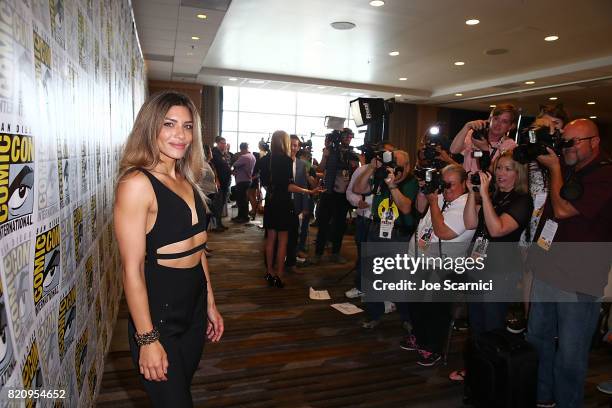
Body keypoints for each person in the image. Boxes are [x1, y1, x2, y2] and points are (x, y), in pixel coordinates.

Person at [113, 91, 224, 407]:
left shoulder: (187, 178)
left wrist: (210, 304)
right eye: (170, 124)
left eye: (188, 127)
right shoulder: (136, 183)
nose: (181, 135)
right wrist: (147, 339)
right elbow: (131, 269)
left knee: (181, 392)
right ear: (151, 127)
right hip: (158, 316)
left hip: (194, 306)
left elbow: (199, 249)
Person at [526, 119, 612, 408]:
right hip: (548, 271)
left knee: (570, 355)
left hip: (579, 280)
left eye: (575, 141)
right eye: (566, 142)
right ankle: (542, 398)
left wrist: (554, 169)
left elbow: (562, 211)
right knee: (538, 341)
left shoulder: (605, 175)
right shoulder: (568, 171)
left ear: (595, 142)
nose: (568, 148)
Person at [448, 150, 532, 382]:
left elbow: (497, 230)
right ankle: (477, 371)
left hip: (500, 272)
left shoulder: (522, 200)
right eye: (499, 168)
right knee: (476, 324)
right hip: (478, 266)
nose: (501, 173)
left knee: (492, 327)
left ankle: (493, 378)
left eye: (508, 169)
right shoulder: (492, 195)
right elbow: (470, 222)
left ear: (519, 174)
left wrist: (484, 196)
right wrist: (473, 194)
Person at [402, 164, 475, 366]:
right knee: (415, 303)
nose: (446, 188)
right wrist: (425, 191)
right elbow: (418, 209)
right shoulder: (441, 195)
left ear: (463, 184)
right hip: (421, 260)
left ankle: (433, 348)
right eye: (443, 183)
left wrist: (434, 202)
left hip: (444, 267)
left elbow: (443, 232)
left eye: (450, 184)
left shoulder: (466, 204)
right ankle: (419, 337)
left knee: (434, 309)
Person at [514, 103, 569, 332]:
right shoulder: (529, 155)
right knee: (529, 274)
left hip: (558, 226)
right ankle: (531, 323)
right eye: (544, 126)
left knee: (553, 279)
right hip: (531, 225)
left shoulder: (567, 155)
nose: (551, 131)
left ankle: (554, 328)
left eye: (555, 125)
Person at [353, 150, 418, 329]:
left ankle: (406, 318)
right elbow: (357, 189)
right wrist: (371, 168)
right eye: (393, 163)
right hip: (377, 230)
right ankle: (374, 314)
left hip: (399, 234)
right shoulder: (381, 176)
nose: (395, 169)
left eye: (399, 165)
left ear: (408, 166)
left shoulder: (411, 181)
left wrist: (392, 185)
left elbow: (405, 208)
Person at [263, 130, 322, 288]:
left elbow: (264, 183)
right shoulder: (286, 160)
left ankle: (269, 271)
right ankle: (279, 275)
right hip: (283, 203)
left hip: (270, 203)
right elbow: (288, 186)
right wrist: (308, 191)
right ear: (284, 142)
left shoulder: (265, 159)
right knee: (283, 241)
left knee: (270, 239)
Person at [312, 129, 360, 264]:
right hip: (328, 193)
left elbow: (356, 174)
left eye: (351, 136)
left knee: (340, 225)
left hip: (343, 195)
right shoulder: (330, 152)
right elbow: (320, 169)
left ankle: (335, 252)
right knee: (323, 224)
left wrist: (355, 165)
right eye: (346, 136)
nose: (349, 139)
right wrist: (325, 156)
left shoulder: (352, 154)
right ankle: (318, 253)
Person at [449, 103, 518, 173]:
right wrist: (467, 126)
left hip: (489, 183)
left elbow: (497, 173)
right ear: (490, 119)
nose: (498, 124)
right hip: (467, 181)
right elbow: (453, 150)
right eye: (496, 118)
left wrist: (484, 149)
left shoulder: (510, 145)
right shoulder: (475, 135)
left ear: (511, 126)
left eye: (504, 121)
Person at [231, 142, 256, 223]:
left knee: (241, 200)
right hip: (248, 180)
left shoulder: (244, 157)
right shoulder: (252, 156)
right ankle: (242, 216)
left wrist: (238, 158)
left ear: (241, 149)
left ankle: (242, 217)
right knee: (244, 199)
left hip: (242, 180)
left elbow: (234, 164)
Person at [211, 137, 232, 232]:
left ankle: (219, 224)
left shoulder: (222, 154)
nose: (224, 145)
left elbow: (227, 165)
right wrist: (216, 180)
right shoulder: (214, 154)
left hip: (225, 183)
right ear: (217, 143)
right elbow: (213, 168)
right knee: (218, 205)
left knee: (221, 204)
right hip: (219, 184)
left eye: (225, 143)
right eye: (222, 143)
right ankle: (216, 225)